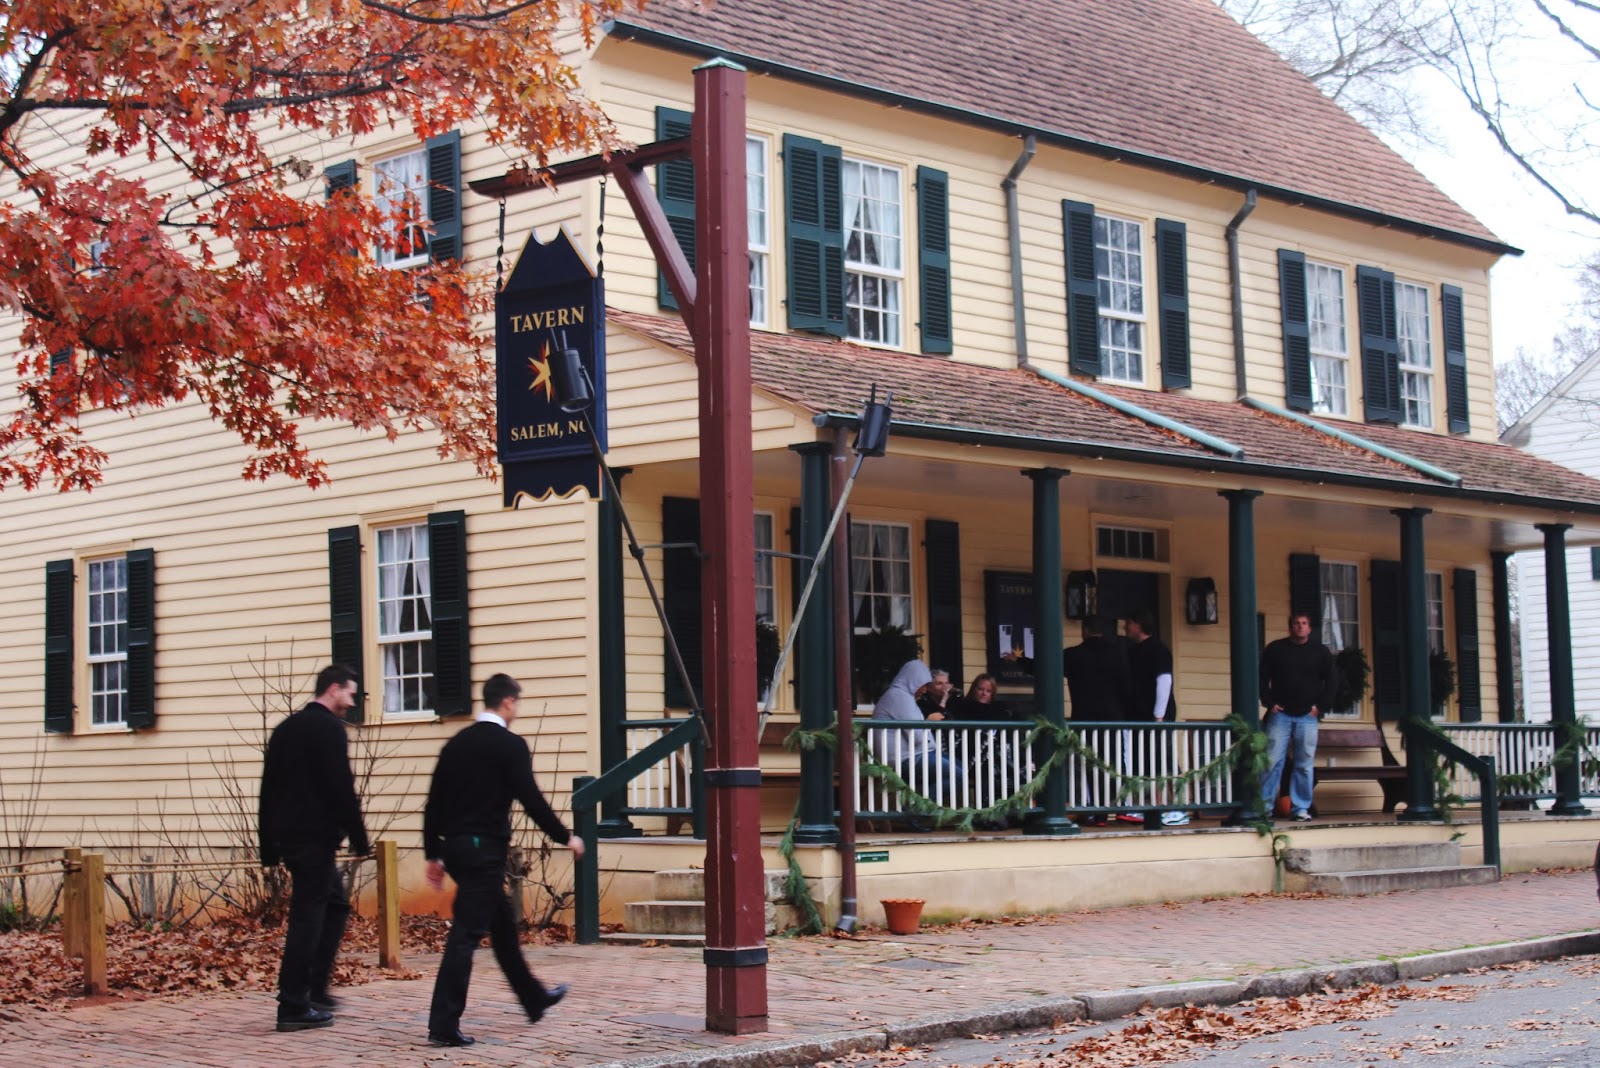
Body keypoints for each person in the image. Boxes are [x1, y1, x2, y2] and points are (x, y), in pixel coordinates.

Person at [423, 673, 584, 1048]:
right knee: (465, 935)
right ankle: (443, 1023)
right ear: (508, 702)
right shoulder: (509, 746)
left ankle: (534, 999)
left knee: (503, 927)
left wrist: (434, 854)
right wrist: (565, 837)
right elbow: (530, 798)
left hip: (458, 849)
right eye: (517, 703)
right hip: (484, 851)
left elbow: (434, 803)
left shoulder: (456, 744)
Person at [258, 664, 370, 1033]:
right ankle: (293, 1003)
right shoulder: (329, 730)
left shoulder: (285, 729)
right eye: (350, 693)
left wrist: (268, 846)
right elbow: (341, 787)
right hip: (314, 839)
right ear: (333, 689)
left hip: (290, 838)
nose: (352, 702)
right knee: (308, 917)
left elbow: (268, 788)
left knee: (334, 905)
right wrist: (359, 837)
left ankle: (315, 989)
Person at [1259, 612, 1337, 823]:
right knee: (1272, 761)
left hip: (1307, 716)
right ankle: (1264, 808)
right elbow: (1262, 677)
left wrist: (1319, 707)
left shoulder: (1320, 652)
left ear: (1310, 628)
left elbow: (1330, 681)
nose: (1300, 627)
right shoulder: (1276, 649)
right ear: (1290, 626)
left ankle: (1300, 808)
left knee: (1304, 763)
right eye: (1296, 623)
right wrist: (1269, 703)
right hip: (1280, 714)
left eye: (1304, 623)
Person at [1062, 616, 1133, 825]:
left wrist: (1018, 660)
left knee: (1091, 764)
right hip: (1112, 719)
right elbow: (1127, 688)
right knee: (1114, 764)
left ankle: (1099, 813)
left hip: (1084, 720)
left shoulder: (1073, 655)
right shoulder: (1117, 654)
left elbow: (1043, 667)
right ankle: (1121, 808)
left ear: (1084, 631)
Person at [872, 659, 964, 818]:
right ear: (913, 681)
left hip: (913, 754)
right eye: (922, 685)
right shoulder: (899, 697)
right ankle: (915, 811)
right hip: (904, 758)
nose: (924, 690)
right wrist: (928, 723)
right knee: (957, 774)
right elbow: (918, 737)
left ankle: (919, 808)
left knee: (958, 766)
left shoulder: (903, 696)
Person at [1125, 611, 1189, 827]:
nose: (1125, 626)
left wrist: (1159, 714)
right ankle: (1153, 806)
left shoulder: (1157, 649)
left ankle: (1176, 808)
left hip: (1157, 717)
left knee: (1165, 760)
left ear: (1139, 624)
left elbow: (1164, 681)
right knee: (1148, 762)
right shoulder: (1135, 650)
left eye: (1129, 622)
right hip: (1140, 716)